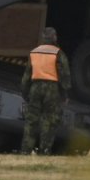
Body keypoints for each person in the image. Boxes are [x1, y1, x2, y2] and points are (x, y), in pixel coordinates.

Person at [20, 27, 71, 155]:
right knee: (49, 121)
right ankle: (44, 151)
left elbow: (26, 76)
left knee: (31, 121)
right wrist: (65, 94)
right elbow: (64, 75)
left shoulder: (34, 52)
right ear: (54, 37)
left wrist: (25, 93)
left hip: (35, 87)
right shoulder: (58, 53)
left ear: (43, 38)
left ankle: (26, 151)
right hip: (52, 90)